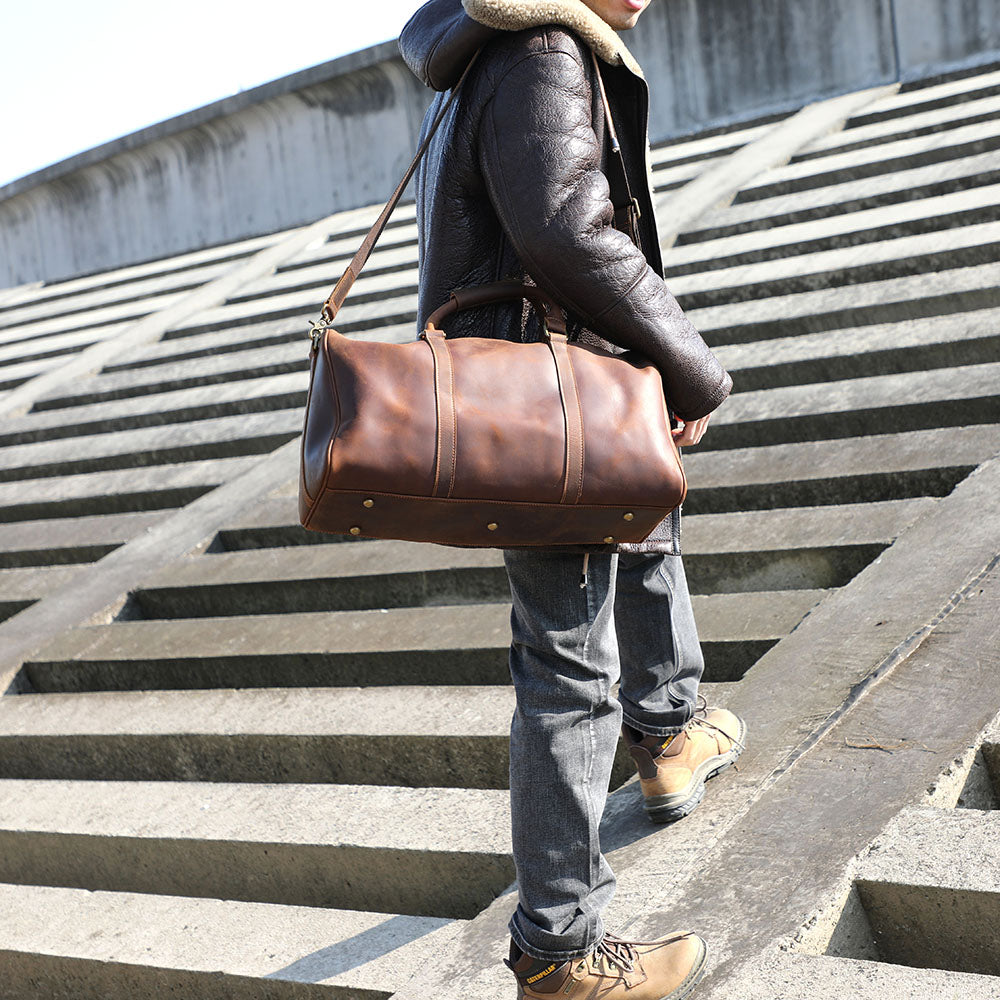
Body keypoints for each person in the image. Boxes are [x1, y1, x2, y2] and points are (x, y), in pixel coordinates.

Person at [399, 2, 746, 997]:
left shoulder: (503, 46)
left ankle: (670, 731)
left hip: (558, 382)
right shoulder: (542, 49)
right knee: (566, 666)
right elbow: (566, 232)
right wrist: (688, 365)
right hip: (550, 404)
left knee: (643, 540)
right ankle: (559, 949)